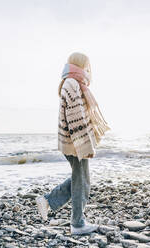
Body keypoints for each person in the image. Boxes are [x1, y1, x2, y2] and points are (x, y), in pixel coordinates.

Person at [36, 52, 110, 235]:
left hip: (74, 142)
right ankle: (77, 224)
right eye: (86, 66)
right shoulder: (72, 84)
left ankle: (49, 201)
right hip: (75, 143)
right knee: (82, 182)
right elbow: (74, 118)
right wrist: (85, 146)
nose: (88, 70)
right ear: (80, 65)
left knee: (81, 180)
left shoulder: (76, 83)